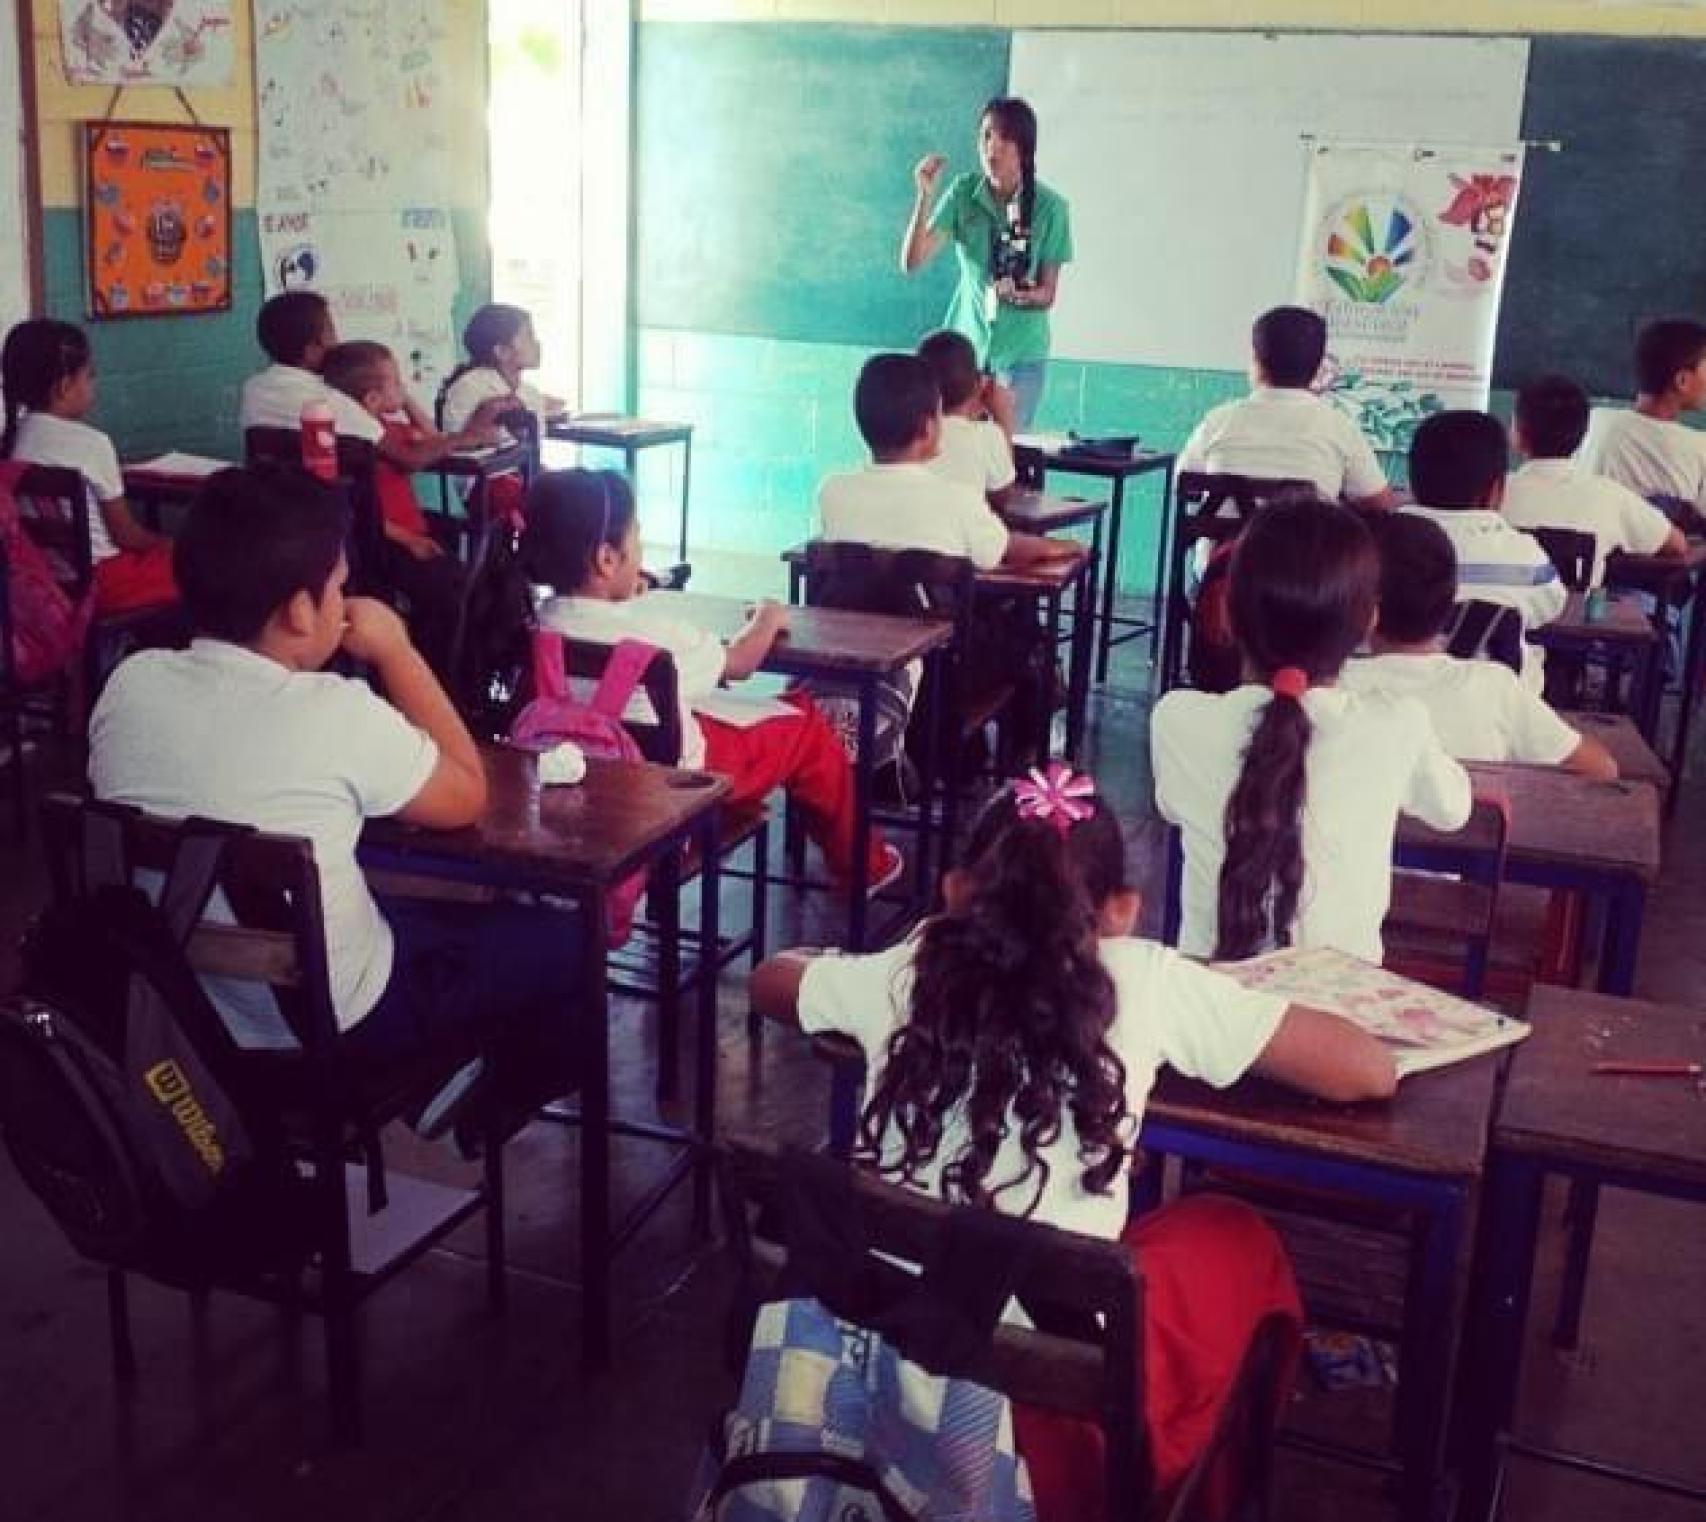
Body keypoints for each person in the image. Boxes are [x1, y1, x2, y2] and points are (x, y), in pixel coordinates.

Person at [750, 776, 1395, 1518]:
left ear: (955, 891)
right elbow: (1364, 1071)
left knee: (1107, 1264)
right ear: (1122, 910)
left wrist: (827, 961)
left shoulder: (908, 968)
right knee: (1234, 1237)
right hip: (1036, 1439)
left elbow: (774, 983)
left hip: (875, 1388)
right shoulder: (1146, 977)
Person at [88, 464, 581, 1124]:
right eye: (340, 588)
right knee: (568, 936)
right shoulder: (335, 710)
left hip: (185, 1011)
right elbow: (466, 797)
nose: (347, 602)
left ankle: (449, 1077)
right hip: (335, 1026)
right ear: (299, 609)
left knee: (394, 910)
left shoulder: (129, 685)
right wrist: (398, 652)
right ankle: (473, 1099)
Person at [523, 467, 902, 895]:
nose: (641, 549)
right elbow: (739, 662)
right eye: (637, 538)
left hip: (580, 789)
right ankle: (863, 866)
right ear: (607, 559)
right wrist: (768, 617)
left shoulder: (535, 627)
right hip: (671, 792)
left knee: (721, 710)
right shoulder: (656, 638)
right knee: (805, 721)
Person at [1152, 498, 1472, 963]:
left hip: (1211, 1013)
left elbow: (1172, 804)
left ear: (1227, 615)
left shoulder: (1177, 721)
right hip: (1342, 1009)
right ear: (1369, 622)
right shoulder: (1398, 725)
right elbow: (1453, 810)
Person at [1343, 513, 1617, 778]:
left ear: (1362, 607)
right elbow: (1602, 769)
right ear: (1451, 599)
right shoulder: (1495, 688)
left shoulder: (1329, 691)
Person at [321, 339, 503, 680]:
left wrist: (405, 400)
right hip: (385, 540)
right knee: (451, 588)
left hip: (413, 528)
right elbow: (358, 511)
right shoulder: (358, 439)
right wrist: (407, 539)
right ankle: (436, 677)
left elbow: (434, 438)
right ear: (372, 399)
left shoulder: (389, 428)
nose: (404, 388)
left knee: (482, 565)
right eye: (397, 381)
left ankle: (471, 671)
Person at [900, 97, 1072, 429]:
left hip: (1019, 354)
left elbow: (1048, 293)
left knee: (1001, 455)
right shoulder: (964, 193)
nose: (992, 148)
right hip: (963, 356)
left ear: (1024, 149)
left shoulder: (1051, 209)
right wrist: (924, 196)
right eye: (986, 136)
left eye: (1004, 139)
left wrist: (1020, 293)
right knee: (952, 451)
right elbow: (912, 261)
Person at [1, 318, 176, 614]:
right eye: (90, 375)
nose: (93, 384)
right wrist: (171, 543)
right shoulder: (91, 444)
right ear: (65, 386)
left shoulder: (12, 444)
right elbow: (128, 537)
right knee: (203, 566)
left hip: (48, 583)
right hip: (104, 584)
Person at [1401, 410, 1565, 692]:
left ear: (1412, 483)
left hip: (1388, 706)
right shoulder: (1525, 558)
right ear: (1496, 491)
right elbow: (1552, 608)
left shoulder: (1375, 544)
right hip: (1496, 715)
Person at [1175, 306, 1397, 510]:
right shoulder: (1339, 427)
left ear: (1256, 360)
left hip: (1225, 554)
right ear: (1319, 367)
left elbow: (1184, 482)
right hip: (1305, 554)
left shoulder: (1218, 421)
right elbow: (1381, 504)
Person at [1503, 373, 1684, 586]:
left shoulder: (1491, 494)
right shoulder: (1610, 496)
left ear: (1518, 435)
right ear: (1582, 435)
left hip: (1503, 617)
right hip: (1577, 618)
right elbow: (1677, 544)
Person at [1577, 317, 1706, 530]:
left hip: (1589, 555)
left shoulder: (1594, 421)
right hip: (1666, 557)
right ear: (1682, 381)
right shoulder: (1697, 447)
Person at [238, 291, 384, 444]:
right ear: (311, 350)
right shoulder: (328, 400)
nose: (337, 342)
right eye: (331, 332)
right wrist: (403, 398)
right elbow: (409, 458)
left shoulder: (253, 388)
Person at [917, 328, 1019, 508]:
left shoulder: (907, 432)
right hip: (960, 534)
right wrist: (1003, 416)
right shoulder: (986, 435)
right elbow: (1002, 494)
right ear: (979, 383)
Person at [440, 303, 567, 442]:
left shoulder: (531, 394)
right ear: (502, 351)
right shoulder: (468, 388)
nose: (537, 344)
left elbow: (534, 454)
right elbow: (454, 453)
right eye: (528, 336)